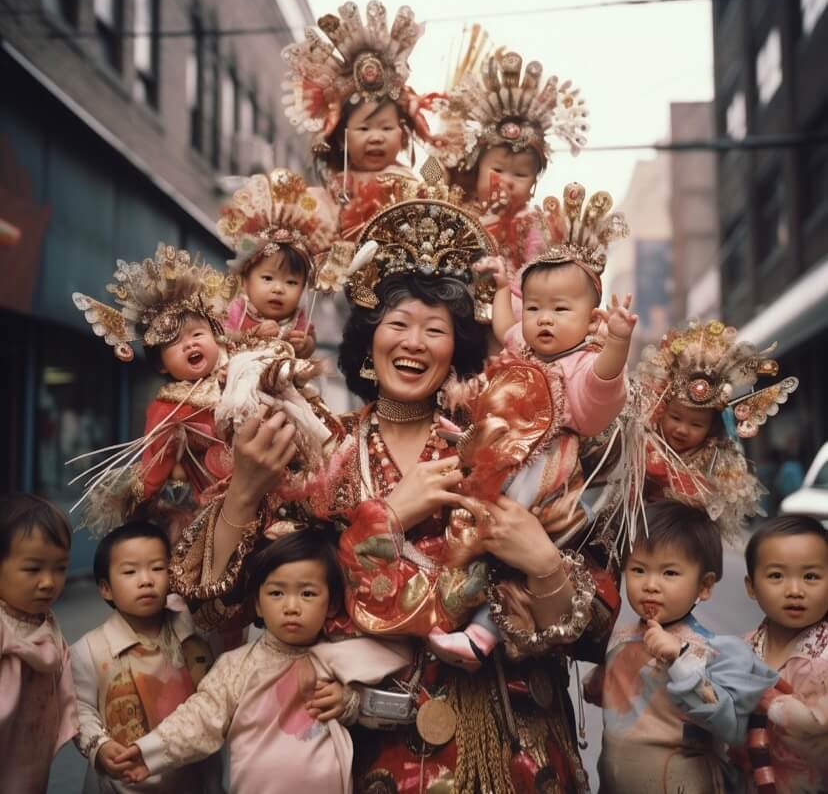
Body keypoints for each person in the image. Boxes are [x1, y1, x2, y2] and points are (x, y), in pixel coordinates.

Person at [169, 191, 623, 793]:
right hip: (370, 751)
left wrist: (541, 561)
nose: (413, 343)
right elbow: (223, 607)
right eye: (398, 325)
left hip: (512, 743)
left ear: (455, 347)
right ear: (367, 341)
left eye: (434, 330)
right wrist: (251, 493)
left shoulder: (502, 442)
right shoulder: (321, 452)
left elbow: (592, 631)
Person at [428, 182, 635, 669]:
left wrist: (619, 343)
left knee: (502, 525)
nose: (543, 320)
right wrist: (503, 286)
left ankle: (480, 632)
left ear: (591, 319)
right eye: (537, 307)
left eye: (561, 310)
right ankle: (457, 605)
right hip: (504, 448)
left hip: (545, 465)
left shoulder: (585, 365)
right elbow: (506, 326)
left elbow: (605, 386)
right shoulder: (526, 345)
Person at [117, 529, 411, 794]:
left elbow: (403, 708)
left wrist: (352, 701)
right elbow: (199, 718)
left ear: (332, 603)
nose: (291, 607)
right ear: (257, 602)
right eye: (276, 593)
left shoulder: (342, 660)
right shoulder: (238, 666)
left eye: (307, 593)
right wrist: (150, 753)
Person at [584, 500, 776, 793]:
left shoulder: (715, 651)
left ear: (705, 586)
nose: (650, 585)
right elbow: (607, 691)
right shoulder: (618, 638)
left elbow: (732, 728)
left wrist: (680, 660)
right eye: (638, 570)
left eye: (669, 573)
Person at [72, 243, 234, 542]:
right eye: (174, 342)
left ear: (217, 336)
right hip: (215, 503)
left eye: (198, 334)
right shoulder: (169, 406)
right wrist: (139, 500)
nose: (189, 344)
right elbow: (155, 464)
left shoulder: (238, 372)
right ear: (160, 364)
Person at [602, 318, 800, 547]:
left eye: (696, 425)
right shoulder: (639, 442)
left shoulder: (719, 462)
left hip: (687, 544)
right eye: (675, 418)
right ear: (661, 411)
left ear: (711, 429)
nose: (683, 429)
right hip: (638, 539)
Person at [436, 42, 589, 319]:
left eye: (520, 174)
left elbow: (536, 275)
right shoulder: (457, 209)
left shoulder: (531, 224)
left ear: (533, 184)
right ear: (476, 166)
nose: (507, 181)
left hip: (508, 312)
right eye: (498, 169)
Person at [280, 0, 442, 261]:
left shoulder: (407, 180)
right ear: (342, 139)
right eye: (364, 128)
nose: (376, 136)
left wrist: (440, 161)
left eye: (386, 127)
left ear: (401, 135)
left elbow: (435, 195)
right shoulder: (335, 187)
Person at [71, 521, 221, 793]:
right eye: (130, 571)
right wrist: (99, 746)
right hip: (122, 785)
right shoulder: (89, 650)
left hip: (192, 780)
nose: (146, 580)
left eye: (157, 568)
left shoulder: (196, 636)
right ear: (106, 588)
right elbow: (80, 710)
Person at [738, 515, 828, 794]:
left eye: (810, 576)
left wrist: (771, 702)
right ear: (751, 586)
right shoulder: (744, 648)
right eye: (776, 575)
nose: (794, 591)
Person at [0, 493, 78, 794]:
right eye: (33, 569)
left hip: (30, 752)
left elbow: (69, 689)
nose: (49, 582)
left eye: (60, 568)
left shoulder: (48, 624)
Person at [219, 168, 333, 357]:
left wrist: (305, 345)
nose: (279, 289)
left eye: (291, 282)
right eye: (267, 278)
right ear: (245, 281)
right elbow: (221, 336)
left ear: (304, 287)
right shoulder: (239, 308)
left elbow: (310, 343)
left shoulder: (297, 319)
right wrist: (251, 335)